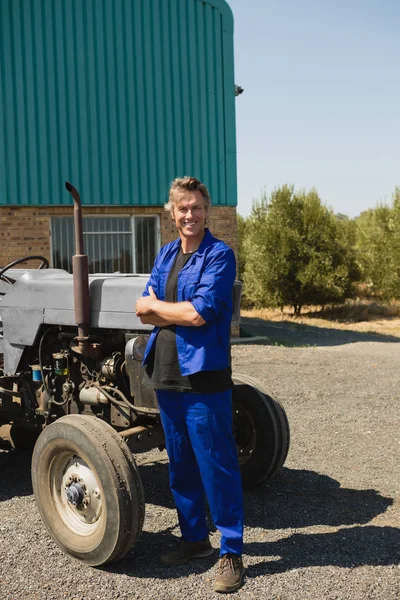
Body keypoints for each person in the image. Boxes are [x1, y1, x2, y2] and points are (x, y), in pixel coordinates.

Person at [135, 176, 245, 593]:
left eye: (197, 207)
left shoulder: (220, 255)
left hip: (204, 379)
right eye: (183, 208)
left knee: (217, 467)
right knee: (180, 467)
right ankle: (195, 539)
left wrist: (162, 309)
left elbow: (199, 314)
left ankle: (231, 552)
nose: (190, 215)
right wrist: (169, 310)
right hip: (166, 377)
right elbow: (142, 311)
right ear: (172, 213)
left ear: (207, 211)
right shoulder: (166, 254)